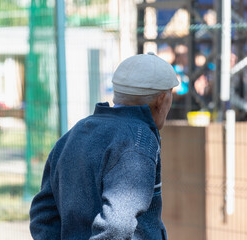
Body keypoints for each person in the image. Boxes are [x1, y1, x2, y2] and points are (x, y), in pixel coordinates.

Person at [29, 52, 179, 240]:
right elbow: (117, 224)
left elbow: (43, 213)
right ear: (161, 99)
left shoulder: (75, 132)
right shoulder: (140, 140)